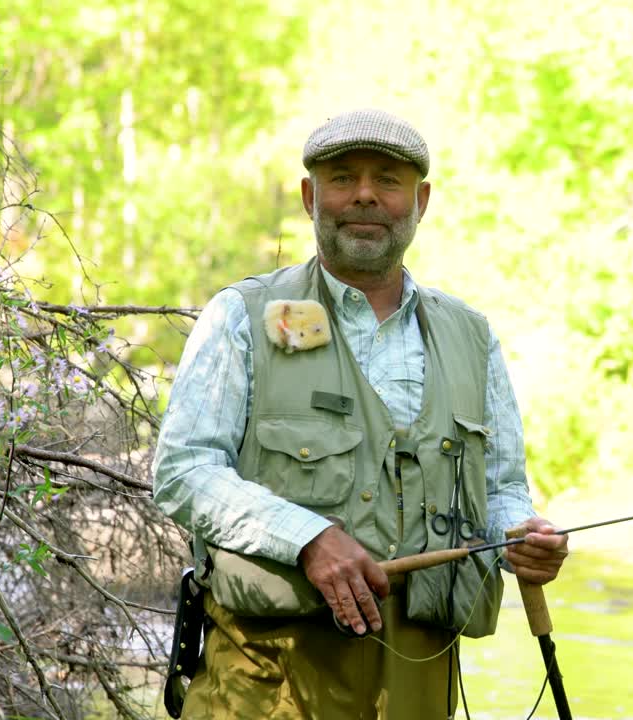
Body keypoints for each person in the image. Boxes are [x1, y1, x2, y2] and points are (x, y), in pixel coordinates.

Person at [151, 108, 569, 719]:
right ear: (308, 196)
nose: (366, 195)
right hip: (264, 679)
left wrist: (523, 539)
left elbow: (501, 489)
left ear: (421, 201)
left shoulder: (472, 337)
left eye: (389, 180)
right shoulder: (241, 315)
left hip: (418, 684)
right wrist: (309, 538)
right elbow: (185, 471)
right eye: (343, 178)